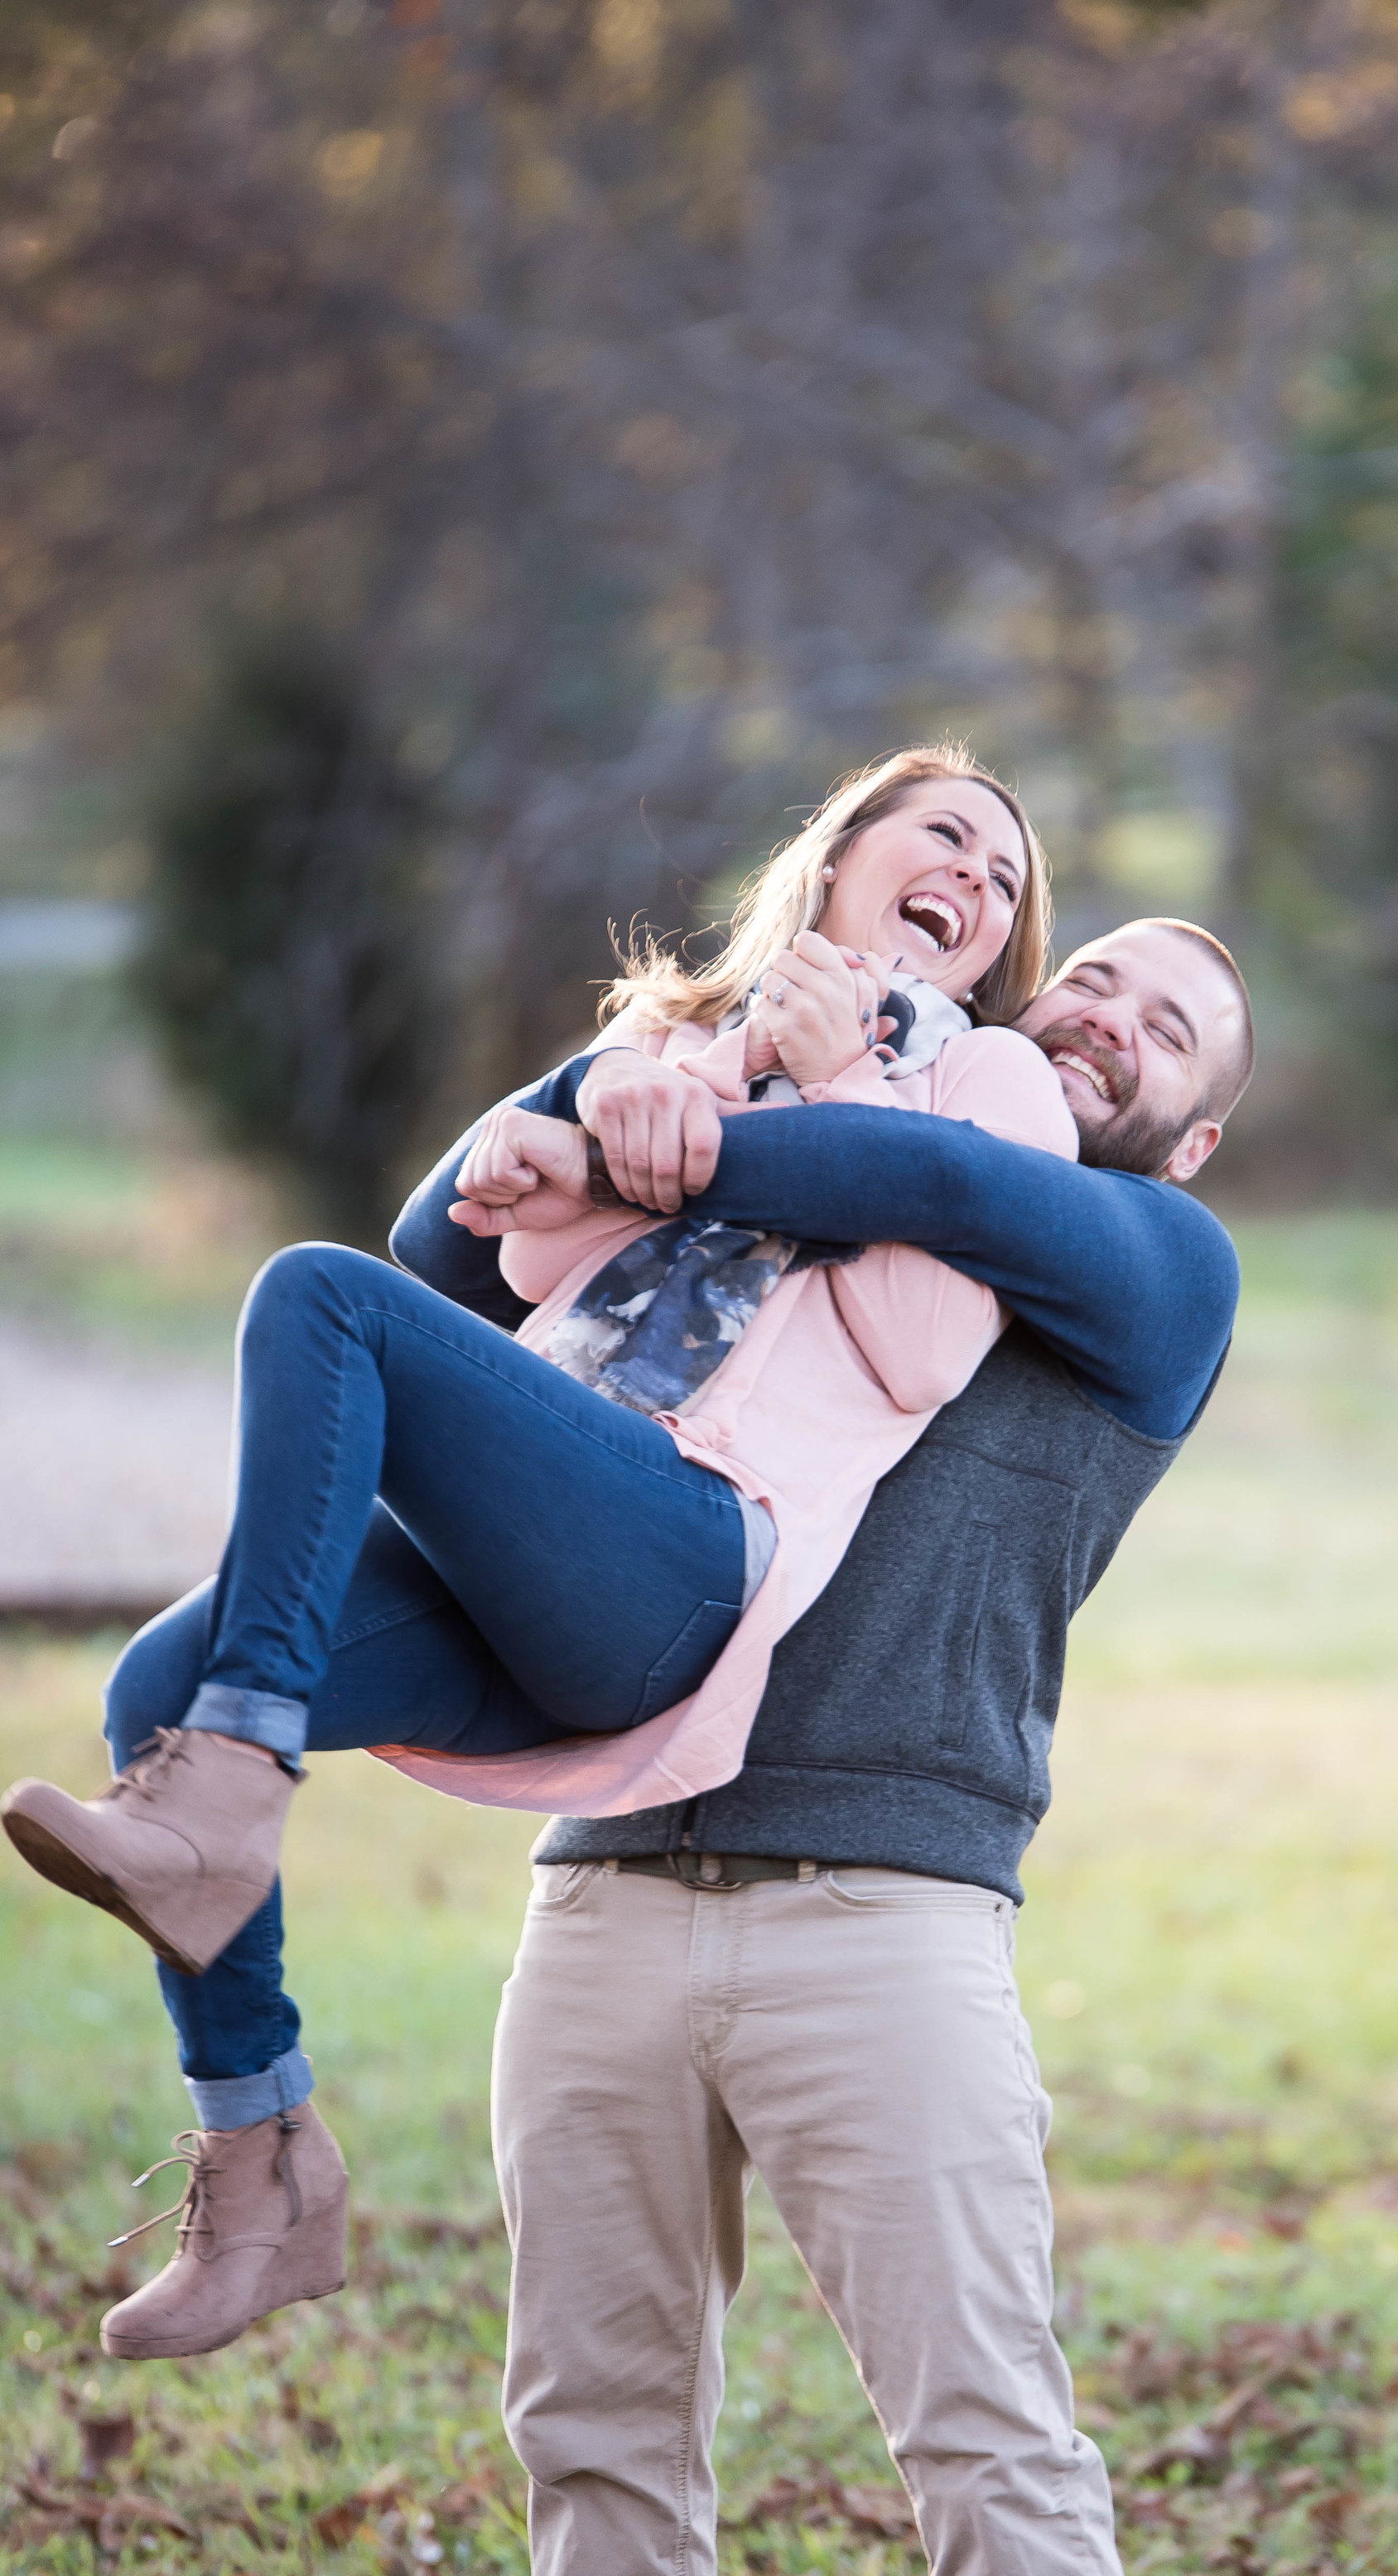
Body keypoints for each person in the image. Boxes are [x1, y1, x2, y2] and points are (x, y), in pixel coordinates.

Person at [340, 914, 1251, 2576]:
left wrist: (702, 1102)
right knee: (595, 2440)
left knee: (991, 2448)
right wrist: (638, 1084)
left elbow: (934, 1191)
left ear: (1195, 1130)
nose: (1109, 1007)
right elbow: (425, 1255)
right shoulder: (816, 1139)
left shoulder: (1138, 1262)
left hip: (895, 1905)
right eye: (1100, 968)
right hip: (611, 1888)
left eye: (1171, 1024)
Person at [0, 746, 1079, 2363]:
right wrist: (578, 1123)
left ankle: (234, 1790)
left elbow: (921, 1348)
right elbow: (518, 1254)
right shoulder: (680, 1044)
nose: (977, 889)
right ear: (840, 855)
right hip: (543, 1519)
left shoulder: (990, 1089)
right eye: (948, 840)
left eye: (1005, 886)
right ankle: (263, 2159)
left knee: (321, 1294)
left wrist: (838, 1076)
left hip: (688, 1557)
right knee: (162, 1678)